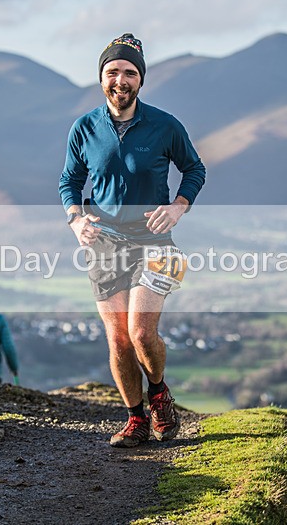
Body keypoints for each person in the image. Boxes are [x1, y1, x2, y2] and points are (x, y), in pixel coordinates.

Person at [58, 33, 206, 447]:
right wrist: (75, 219)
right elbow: (69, 180)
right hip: (104, 243)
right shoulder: (84, 127)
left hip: (155, 243)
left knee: (141, 332)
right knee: (118, 337)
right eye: (112, 72)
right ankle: (136, 419)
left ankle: (158, 392)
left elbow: (194, 169)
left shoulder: (165, 125)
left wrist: (178, 206)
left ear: (140, 80)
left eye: (129, 72)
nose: (120, 80)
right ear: (101, 79)